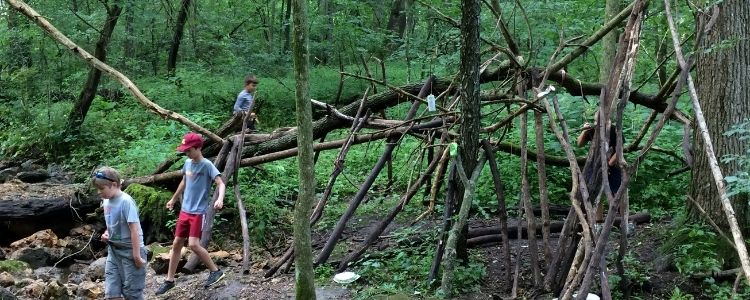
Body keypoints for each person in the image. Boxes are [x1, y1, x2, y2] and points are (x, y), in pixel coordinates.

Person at [156, 132, 227, 295]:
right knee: (176, 244)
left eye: (189, 150)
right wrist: (173, 199)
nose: (186, 153)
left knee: (194, 244)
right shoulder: (187, 163)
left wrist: (220, 199)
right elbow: (184, 181)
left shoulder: (207, 165)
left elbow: (220, 183)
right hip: (185, 211)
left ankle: (216, 271)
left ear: (198, 148)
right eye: (185, 151)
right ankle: (169, 280)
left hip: (198, 212)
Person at [94, 166, 146, 300]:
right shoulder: (106, 200)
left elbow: (134, 229)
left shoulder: (126, 202)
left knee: (132, 292)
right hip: (113, 250)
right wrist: (107, 233)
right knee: (112, 291)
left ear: (114, 185)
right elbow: (112, 222)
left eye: (102, 189)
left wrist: (136, 255)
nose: (99, 192)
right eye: (97, 189)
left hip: (130, 250)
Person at [577, 122, 623, 222]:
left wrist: (609, 165)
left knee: (617, 192)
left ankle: (623, 220)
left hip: (613, 165)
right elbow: (579, 144)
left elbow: (619, 150)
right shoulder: (593, 129)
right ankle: (599, 221)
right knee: (596, 192)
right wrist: (584, 131)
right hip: (594, 165)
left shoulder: (614, 130)